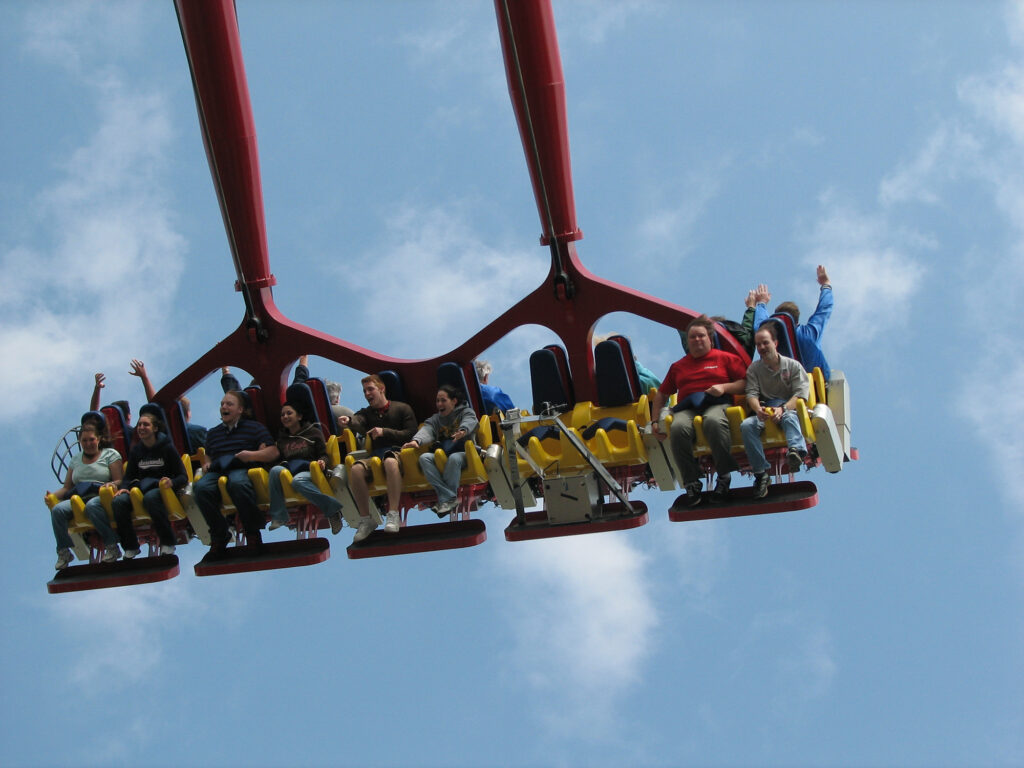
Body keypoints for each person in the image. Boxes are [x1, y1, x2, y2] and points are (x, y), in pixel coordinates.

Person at [651, 315, 747, 508]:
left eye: (701, 336)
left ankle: (724, 476)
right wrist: (654, 422)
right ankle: (691, 482)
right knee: (677, 428)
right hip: (689, 407)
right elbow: (661, 395)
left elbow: (745, 383)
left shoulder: (726, 358)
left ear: (710, 339)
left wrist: (724, 388)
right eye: (692, 337)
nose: (697, 340)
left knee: (713, 422)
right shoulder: (678, 366)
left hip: (716, 402)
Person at [193, 391, 279, 554]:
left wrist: (251, 455)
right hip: (218, 469)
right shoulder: (214, 432)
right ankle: (219, 534)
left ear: (240, 409)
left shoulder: (254, 428)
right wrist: (207, 463)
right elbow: (208, 454)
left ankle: (252, 532)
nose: (224, 407)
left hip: (242, 467)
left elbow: (273, 452)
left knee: (238, 483)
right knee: (201, 488)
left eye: (229, 404)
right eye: (222, 404)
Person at [338, 374, 417, 542]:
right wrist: (349, 421)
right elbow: (359, 420)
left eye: (370, 389)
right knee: (357, 469)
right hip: (376, 457)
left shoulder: (402, 409)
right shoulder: (367, 414)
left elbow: (410, 433)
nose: (367, 394)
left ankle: (393, 514)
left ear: (382, 389)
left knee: (389, 461)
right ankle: (366, 519)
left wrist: (384, 432)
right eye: (365, 391)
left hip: (399, 453)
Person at [741, 325, 811, 498]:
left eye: (765, 343)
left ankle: (796, 451)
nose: (762, 348)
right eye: (759, 345)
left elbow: (801, 395)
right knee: (746, 425)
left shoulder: (793, 366)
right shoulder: (754, 370)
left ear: (775, 343)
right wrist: (758, 409)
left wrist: (783, 408)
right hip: (766, 409)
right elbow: (751, 393)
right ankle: (761, 472)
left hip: (789, 408)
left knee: (789, 417)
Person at [109, 410, 187, 557]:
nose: (141, 428)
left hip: (163, 489)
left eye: (146, 425)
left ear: (155, 428)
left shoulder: (167, 448)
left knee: (151, 498)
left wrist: (172, 482)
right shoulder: (136, 451)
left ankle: (168, 542)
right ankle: (131, 546)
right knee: (118, 502)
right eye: (139, 425)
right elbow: (128, 476)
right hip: (141, 488)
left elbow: (183, 476)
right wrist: (124, 488)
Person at [46, 423, 124, 569]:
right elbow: (67, 487)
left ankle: (112, 546)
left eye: (91, 440)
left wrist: (112, 485)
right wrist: (52, 496)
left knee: (92, 506)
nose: (88, 444)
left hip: (103, 495)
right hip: (80, 496)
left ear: (99, 439)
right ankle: (64, 552)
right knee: (58, 510)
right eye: (84, 441)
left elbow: (120, 480)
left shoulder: (110, 455)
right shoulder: (76, 459)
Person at [267, 400, 344, 535]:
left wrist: (322, 462)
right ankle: (279, 516)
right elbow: (277, 460)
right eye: (282, 415)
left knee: (298, 480)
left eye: (289, 413)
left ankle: (333, 510)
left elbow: (324, 455)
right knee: (274, 471)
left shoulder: (313, 433)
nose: (285, 417)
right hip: (290, 471)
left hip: (310, 471)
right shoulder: (282, 439)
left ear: (299, 416)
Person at [403, 385, 479, 518]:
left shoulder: (466, 412)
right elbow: (428, 430)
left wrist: (463, 430)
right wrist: (416, 441)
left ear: (454, 401)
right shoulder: (436, 419)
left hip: (466, 453)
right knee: (424, 458)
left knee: (454, 458)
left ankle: (446, 500)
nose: (439, 404)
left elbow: (470, 421)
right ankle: (449, 497)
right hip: (444, 453)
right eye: (437, 401)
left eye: (443, 400)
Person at [753, 265, 833, 381]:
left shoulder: (767, 338)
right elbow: (824, 310)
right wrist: (826, 285)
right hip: (814, 387)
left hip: (781, 387)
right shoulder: (809, 333)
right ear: (796, 320)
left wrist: (761, 303)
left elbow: (760, 325)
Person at [128, 359, 207, 449]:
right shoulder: (198, 432)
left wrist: (144, 377)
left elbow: (156, 407)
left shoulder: (155, 434)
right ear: (188, 413)